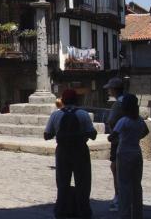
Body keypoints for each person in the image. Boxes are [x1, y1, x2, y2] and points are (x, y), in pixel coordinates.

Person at [44, 89, 98, 219]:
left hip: (63, 151)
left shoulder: (55, 115)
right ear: (76, 100)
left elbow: (47, 135)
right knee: (83, 183)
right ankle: (83, 210)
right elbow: (93, 134)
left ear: (62, 101)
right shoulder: (83, 114)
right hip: (80, 151)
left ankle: (62, 210)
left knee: (62, 182)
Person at [109, 94, 149, 219]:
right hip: (136, 152)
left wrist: (117, 138)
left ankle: (125, 213)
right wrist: (136, 137)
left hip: (124, 152)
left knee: (124, 185)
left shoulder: (123, 121)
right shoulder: (140, 120)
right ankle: (138, 214)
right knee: (137, 185)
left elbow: (112, 136)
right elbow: (146, 131)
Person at [105, 77, 125, 212]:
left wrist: (114, 134)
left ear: (114, 90)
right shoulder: (128, 101)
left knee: (115, 168)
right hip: (130, 143)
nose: (108, 91)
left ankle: (119, 197)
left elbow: (111, 121)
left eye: (109, 89)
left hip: (118, 142)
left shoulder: (118, 104)